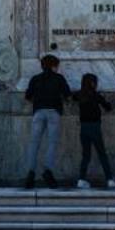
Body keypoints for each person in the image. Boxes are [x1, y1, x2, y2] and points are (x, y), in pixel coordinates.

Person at [23, 54, 71, 190]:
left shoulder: (35, 78)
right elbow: (67, 95)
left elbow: (27, 96)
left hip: (38, 112)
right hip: (53, 113)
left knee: (34, 144)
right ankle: (47, 171)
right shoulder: (59, 78)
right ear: (54, 66)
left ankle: (30, 173)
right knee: (52, 143)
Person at [72, 73, 115, 189]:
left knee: (86, 155)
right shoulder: (96, 95)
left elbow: (71, 97)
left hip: (83, 128)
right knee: (102, 153)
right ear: (93, 83)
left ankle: (81, 179)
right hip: (95, 127)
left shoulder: (79, 95)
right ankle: (109, 179)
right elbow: (108, 107)